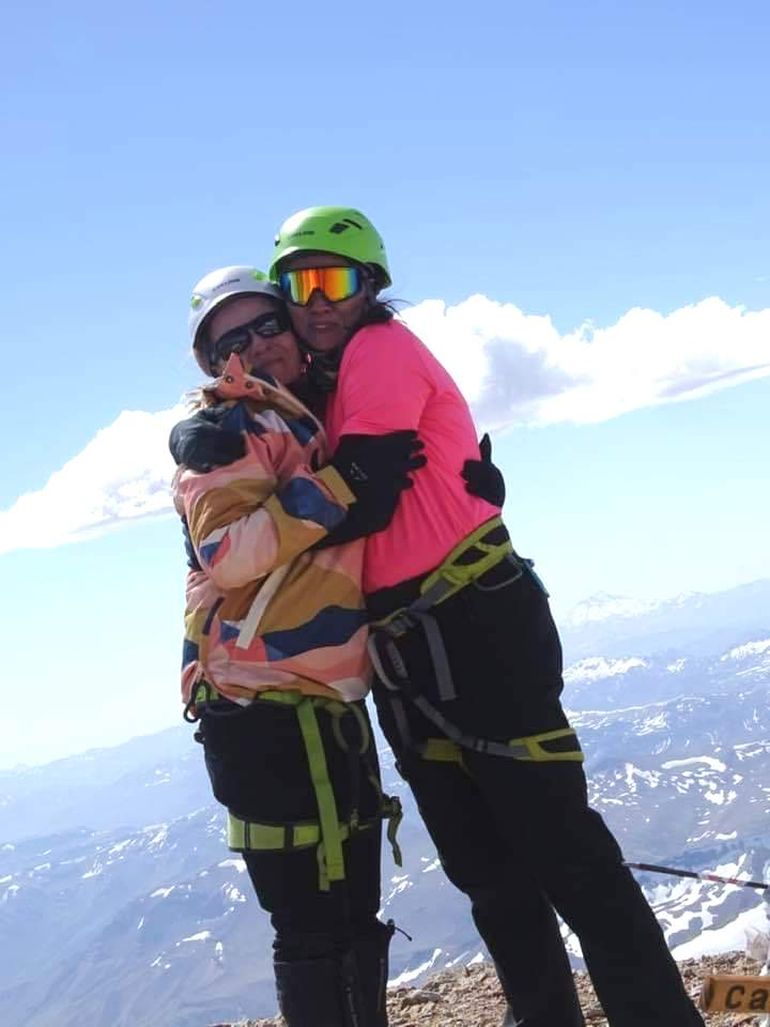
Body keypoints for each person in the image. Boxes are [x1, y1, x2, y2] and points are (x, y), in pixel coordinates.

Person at [172, 207, 706, 1027]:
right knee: (491, 874)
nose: (314, 306)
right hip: (404, 647)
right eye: (300, 286)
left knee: (564, 859)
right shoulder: (298, 402)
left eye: (334, 282)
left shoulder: (377, 351)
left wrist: (416, 487)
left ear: (373, 284)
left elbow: (374, 489)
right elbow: (309, 505)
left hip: (468, 624)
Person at [172, 265, 427, 1027]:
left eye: (267, 323)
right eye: (232, 339)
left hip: (317, 698)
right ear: (218, 363)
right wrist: (342, 486)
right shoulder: (227, 433)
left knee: (353, 908)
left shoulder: (302, 413)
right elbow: (226, 553)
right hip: (264, 707)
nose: (258, 342)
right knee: (313, 927)